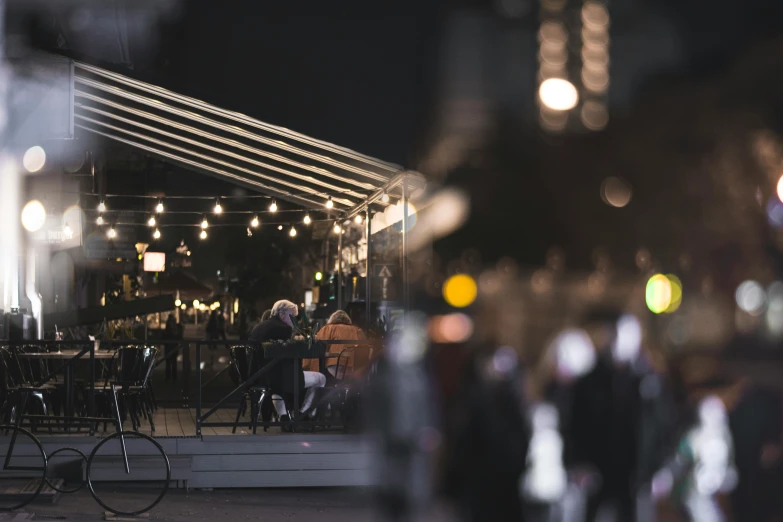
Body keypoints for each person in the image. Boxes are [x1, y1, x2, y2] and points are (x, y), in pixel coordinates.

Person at [249, 300, 326, 422]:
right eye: (293, 317)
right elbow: (297, 350)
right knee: (321, 378)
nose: (295, 321)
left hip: (260, 376)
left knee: (277, 386)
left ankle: (284, 416)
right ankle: (302, 413)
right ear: (282, 315)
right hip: (281, 377)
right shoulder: (283, 329)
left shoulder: (259, 328)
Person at [309, 310, 367, 378]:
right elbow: (365, 349)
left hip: (334, 366)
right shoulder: (357, 330)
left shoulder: (327, 328)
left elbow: (317, 346)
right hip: (353, 367)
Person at [164, 313, 179, 382]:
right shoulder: (175, 326)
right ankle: (173, 376)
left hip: (169, 346)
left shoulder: (168, 326)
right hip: (173, 346)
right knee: (173, 362)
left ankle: (169, 376)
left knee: (169, 362)